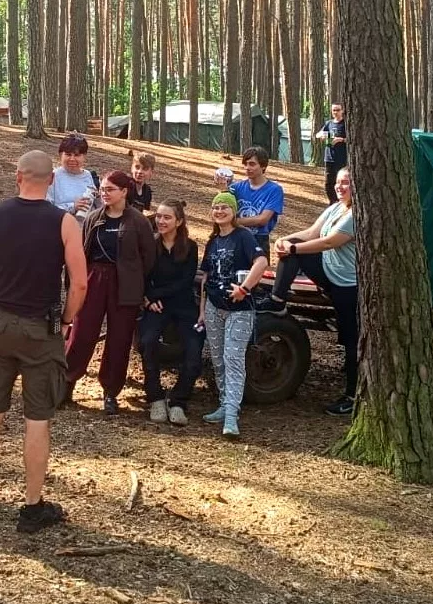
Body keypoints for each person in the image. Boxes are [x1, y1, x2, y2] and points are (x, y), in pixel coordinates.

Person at [0, 150, 88, 532]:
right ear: (51, 180)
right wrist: (67, 320)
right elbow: (80, 283)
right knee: (37, 419)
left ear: (18, 176)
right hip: (42, 330)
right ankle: (32, 506)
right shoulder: (64, 222)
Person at [259, 168, 358, 415]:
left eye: (346, 183)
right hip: (328, 271)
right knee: (294, 248)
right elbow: (311, 233)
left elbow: (330, 242)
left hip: (348, 285)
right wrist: (285, 240)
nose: (340, 187)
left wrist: (293, 249)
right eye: (338, 182)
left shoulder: (356, 213)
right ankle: (277, 300)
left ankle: (352, 396)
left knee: (352, 339)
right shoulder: (335, 208)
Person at [64, 170, 157, 415]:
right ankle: (67, 382)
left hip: (125, 284)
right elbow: (83, 249)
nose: (104, 194)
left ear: (124, 192)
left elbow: (148, 257)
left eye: (110, 189)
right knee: (82, 332)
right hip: (94, 278)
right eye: (102, 189)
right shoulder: (94, 217)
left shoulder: (138, 221)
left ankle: (110, 391)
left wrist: (136, 280)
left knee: (119, 338)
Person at [199, 191, 269, 439]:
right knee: (218, 359)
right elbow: (206, 276)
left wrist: (244, 288)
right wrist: (202, 310)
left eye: (225, 207)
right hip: (213, 307)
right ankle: (223, 404)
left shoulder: (243, 236)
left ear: (234, 211)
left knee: (233, 358)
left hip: (239, 309)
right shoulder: (213, 241)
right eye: (216, 207)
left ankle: (231, 416)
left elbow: (261, 262)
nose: (219, 211)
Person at [139, 200, 202, 425]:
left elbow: (186, 281)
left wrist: (154, 294)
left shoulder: (190, 247)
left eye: (167, 217)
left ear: (179, 221)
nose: (161, 221)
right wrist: (148, 298)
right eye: (159, 216)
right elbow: (143, 275)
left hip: (184, 305)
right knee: (147, 341)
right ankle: (155, 398)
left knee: (194, 349)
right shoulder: (151, 244)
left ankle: (178, 401)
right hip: (157, 306)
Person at [218, 146, 285, 257]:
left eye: (252, 164)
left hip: (259, 239)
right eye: (245, 164)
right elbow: (222, 211)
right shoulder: (236, 188)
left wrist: (233, 221)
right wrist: (222, 190)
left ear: (263, 166)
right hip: (235, 237)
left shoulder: (274, 190)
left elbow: (262, 219)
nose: (247, 168)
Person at [46, 133, 98, 221]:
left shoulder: (87, 175)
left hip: (85, 226)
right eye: (68, 154)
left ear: (84, 156)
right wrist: (73, 206)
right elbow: (47, 209)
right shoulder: (53, 176)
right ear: (60, 155)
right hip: (60, 226)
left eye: (77, 155)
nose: (72, 159)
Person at [315, 104, 348, 204]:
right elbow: (317, 134)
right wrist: (323, 135)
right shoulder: (329, 123)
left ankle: (341, 201)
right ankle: (332, 202)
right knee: (329, 182)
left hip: (341, 158)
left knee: (340, 180)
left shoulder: (345, 124)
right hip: (329, 157)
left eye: (338, 110)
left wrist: (341, 139)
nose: (335, 112)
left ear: (342, 110)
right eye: (334, 110)